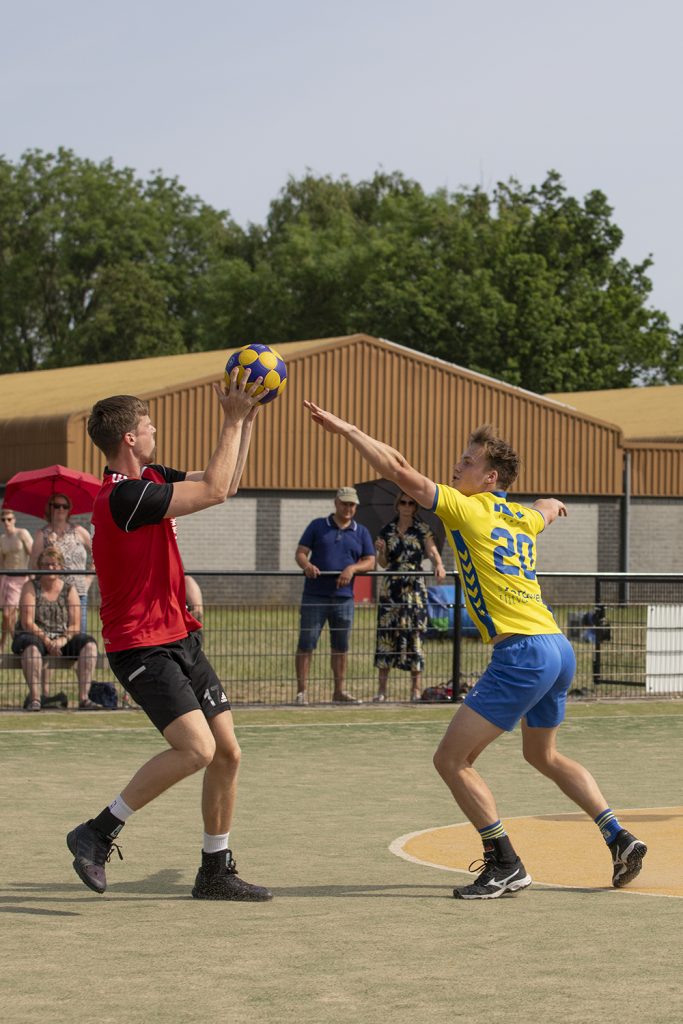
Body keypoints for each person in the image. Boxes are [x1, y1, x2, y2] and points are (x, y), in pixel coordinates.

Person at [303, 402, 648, 898]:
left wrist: (348, 429)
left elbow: (397, 467)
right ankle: (618, 837)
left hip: (523, 652)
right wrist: (553, 503)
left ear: (489, 478)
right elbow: (545, 508)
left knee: (451, 760)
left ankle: (505, 862)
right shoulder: (522, 516)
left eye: (467, 461)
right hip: (557, 647)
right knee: (543, 755)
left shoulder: (466, 507)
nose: (456, 465)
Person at [66, 370, 273, 902]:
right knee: (197, 748)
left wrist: (247, 418)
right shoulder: (124, 497)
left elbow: (226, 484)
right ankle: (97, 831)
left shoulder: (153, 477)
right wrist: (231, 419)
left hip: (178, 635)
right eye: (148, 425)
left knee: (227, 752)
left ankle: (214, 870)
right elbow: (214, 489)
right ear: (129, 438)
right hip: (139, 644)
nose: (155, 430)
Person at [294, 487, 375, 704]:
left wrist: (352, 569)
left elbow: (370, 560)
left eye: (352, 505)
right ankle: (302, 692)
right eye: (344, 503)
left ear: (356, 507)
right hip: (315, 595)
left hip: (344, 597)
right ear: (336, 503)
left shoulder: (361, 532)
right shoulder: (317, 525)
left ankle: (339, 691)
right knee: (306, 642)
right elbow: (301, 552)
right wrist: (307, 565)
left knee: (341, 645)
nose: (348, 508)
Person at [374, 492, 446, 702]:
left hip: (414, 587)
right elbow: (383, 563)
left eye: (411, 503)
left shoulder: (422, 529)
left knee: (415, 634)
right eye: (403, 502)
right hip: (391, 588)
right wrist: (381, 551)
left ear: (415, 507)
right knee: (387, 635)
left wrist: (439, 565)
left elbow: (432, 551)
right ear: (397, 505)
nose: (407, 506)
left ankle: (415, 690)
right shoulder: (386, 530)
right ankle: (381, 691)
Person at [12, 546, 99, 710]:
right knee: (31, 648)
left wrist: (62, 640)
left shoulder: (69, 589)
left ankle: (84, 698)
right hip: (34, 635)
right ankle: (35, 699)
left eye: (54, 564)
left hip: (61, 637)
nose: (50, 568)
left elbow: (75, 625)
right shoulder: (30, 586)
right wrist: (47, 641)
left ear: (61, 567)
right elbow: (27, 622)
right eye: (45, 564)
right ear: (39, 567)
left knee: (90, 645)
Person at [30, 494, 93, 634]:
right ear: (49, 508)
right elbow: (34, 565)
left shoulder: (79, 531)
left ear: (69, 509)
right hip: (54, 596)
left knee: (79, 637)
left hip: (79, 592)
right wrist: (50, 548)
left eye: (65, 506)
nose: (61, 509)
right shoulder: (42, 534)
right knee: (55, 637)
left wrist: (88, 579)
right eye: (56, 506)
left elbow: (98, 554)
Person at [0, 508, 33, 650]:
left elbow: (33, 553)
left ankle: (14, 642)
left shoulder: (22, 533)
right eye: (3, 520)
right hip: (7, 579)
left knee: (13, 614)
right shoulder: (2, 539)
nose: (6, 522)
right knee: (7, 615)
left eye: (9, 519)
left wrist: (33, 575)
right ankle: (5, 643)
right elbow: (2, 562)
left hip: (22, 578)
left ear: (14, 520)